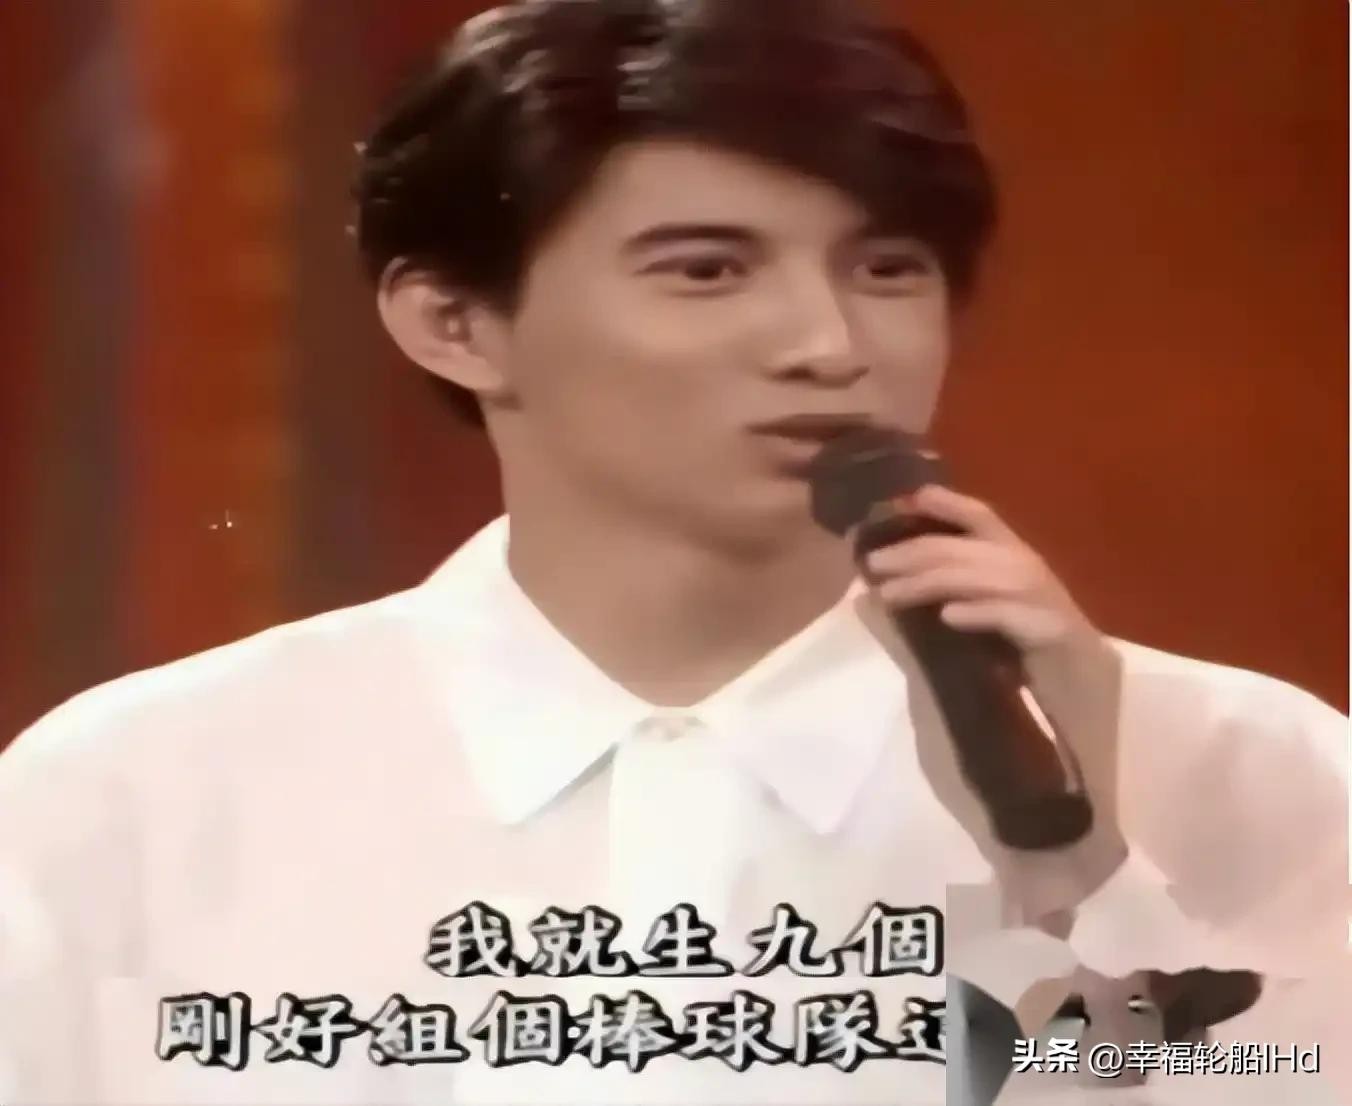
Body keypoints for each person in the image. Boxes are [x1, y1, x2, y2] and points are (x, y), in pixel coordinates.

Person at [0, 1, 1346, 1103]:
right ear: (453, 322)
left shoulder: (1249, 771)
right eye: (707, 269)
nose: (828, 344)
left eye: (887, 268)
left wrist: (1075, 881)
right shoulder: (131, 800)